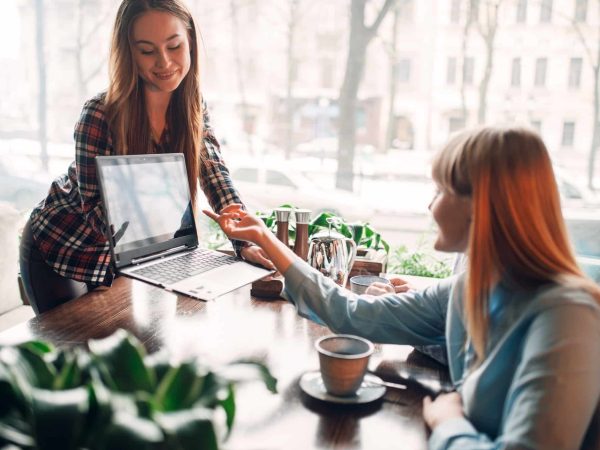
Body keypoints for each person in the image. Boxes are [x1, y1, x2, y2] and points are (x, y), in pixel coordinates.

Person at [205, 126, 600, 450]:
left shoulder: (567, 317)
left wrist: (448, 425)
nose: (431, 207)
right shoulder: (469, 289)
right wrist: (266, 239)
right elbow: (351, 314)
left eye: (441, 191)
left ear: (481, 207)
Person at [19, 0, 272, 315]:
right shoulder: (100, 113)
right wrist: (161, 231)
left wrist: (245, 241)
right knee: (78, 353)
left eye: (174, 45)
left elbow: (214, 173)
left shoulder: (193, 106)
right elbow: (98, 217)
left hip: (120, 256)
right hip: (63, 246)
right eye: (147, 51)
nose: (164, 62)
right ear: (129, 54)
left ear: (190, 41)